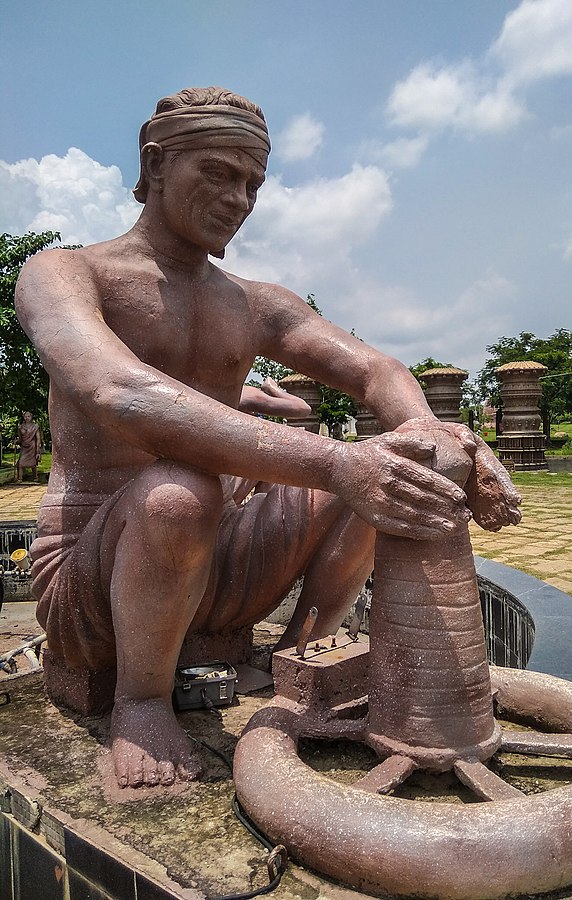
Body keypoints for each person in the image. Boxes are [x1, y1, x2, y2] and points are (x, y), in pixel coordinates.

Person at [15, 87, 520, 789]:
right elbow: (118, 392)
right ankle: (140, 702)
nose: (239, 200)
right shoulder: (66, 273)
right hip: (92, 575)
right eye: (218, 173)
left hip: (218, 559)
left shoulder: (255, 302)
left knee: (392, 467)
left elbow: (375, 369)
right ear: (155, 164)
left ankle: (303, 655)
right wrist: (336, 462)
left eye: (252, 183)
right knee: (178, 493)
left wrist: (435, 436)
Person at [15, 411, 42, 483]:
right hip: (24, 447)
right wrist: (17, 441)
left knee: (33, 463)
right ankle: (20, 478)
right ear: (23, 417)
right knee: (21, 462)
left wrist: (38, 450)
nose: (27, 418)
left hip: (32, 447)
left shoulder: (35, 426)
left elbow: (38, 438)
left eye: (28, 416)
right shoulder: (21, 427)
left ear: (31, 417)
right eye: (25, 416)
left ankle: (35, 477)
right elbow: (20, 439)